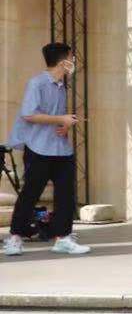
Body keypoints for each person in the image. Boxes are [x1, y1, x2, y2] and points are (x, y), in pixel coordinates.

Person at [3, 42, 88, 256]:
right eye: (71, 57)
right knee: (30, 193)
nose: (74, 61)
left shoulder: (61, 86)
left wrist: (64, 125)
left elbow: (55, 116)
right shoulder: (37, 83)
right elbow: (29, 114)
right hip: (38, 148)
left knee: (66, 195)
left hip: (61, 149)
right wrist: (61, 119)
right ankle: (15, 238)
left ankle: (62, 238)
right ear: (63, 61)